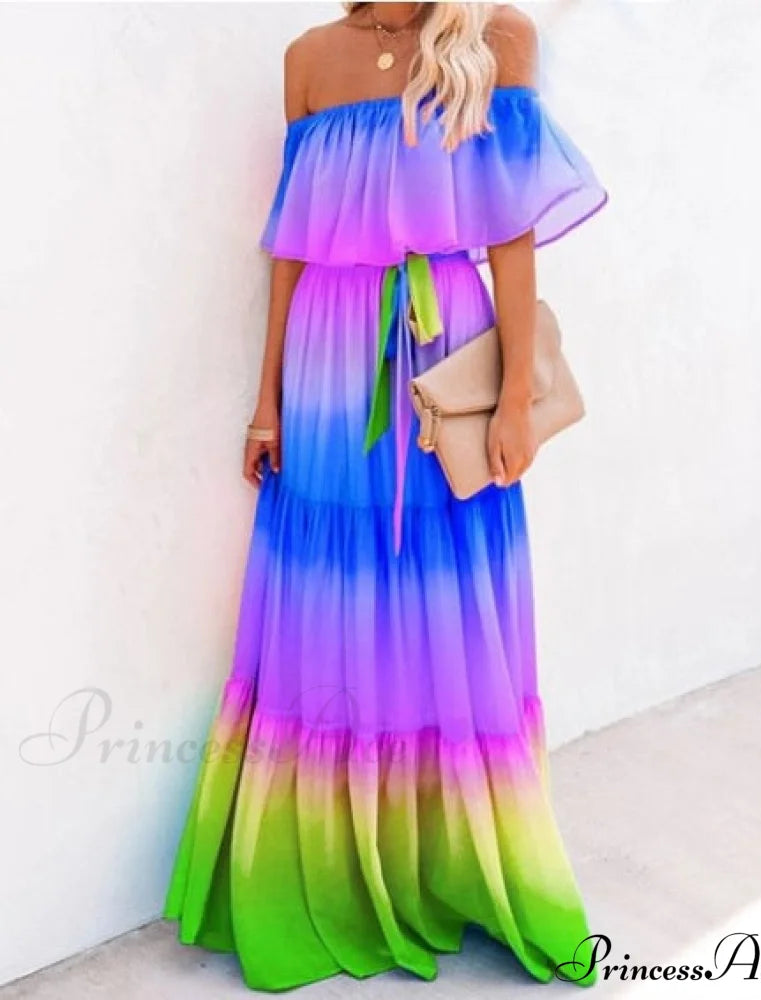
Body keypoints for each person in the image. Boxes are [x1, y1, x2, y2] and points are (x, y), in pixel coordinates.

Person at [162, 1, 608, 991]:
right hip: (327, 359)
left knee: (448, 599)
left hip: (446, 346)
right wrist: (267, 398)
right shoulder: (308, 58)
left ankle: (455, 856)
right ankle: (328, 857)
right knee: (331, 604)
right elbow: (292, 246)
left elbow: (511, 236)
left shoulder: (496, 39)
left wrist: (514, 399)